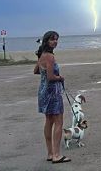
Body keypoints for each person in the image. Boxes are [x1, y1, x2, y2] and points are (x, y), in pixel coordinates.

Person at [34, 31, 71, 164]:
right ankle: (56, 155)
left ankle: (50, 153)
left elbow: (36, 70)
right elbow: (50, 78)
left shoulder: (42, 55)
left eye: (56, 39)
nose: (55, 42)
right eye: (52, 39)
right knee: (58, 122)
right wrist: (60, 77)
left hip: (43, 92)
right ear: (46, 41)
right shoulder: (49, 56)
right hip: (52, 93)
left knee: (49, 121)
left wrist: (43, 67)